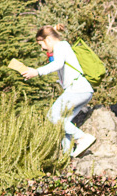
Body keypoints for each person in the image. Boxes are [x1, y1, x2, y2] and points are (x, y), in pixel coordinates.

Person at [8, 25, 95, 158]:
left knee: (52, 116)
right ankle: (68, 155)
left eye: (41, 44)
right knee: (61, 122)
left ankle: (82, 137)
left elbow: (57, 64)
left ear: (48, 39)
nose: (42, 48)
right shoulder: (61, 47)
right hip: (82, 90)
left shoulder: (61, 46)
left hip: (77, 89)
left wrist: (37, 72)